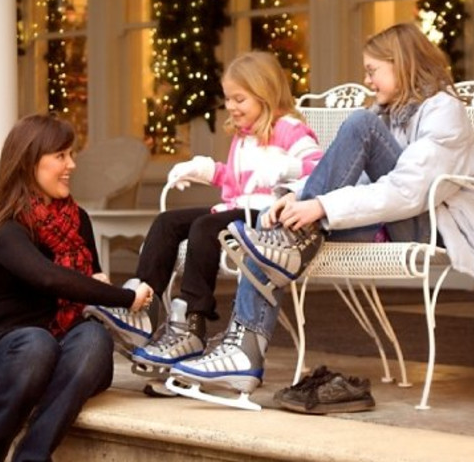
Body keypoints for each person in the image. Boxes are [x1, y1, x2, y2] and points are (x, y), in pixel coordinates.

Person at [167, 22, 474, 408]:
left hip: (433, 223)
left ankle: (289, 249)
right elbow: (353, 175)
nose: (367, 81)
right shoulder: (386, 112)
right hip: (387, 214)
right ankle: (244, 353)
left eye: (372, 70)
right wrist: (294, 198)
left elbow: (407, 191)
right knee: (271, 237)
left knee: (350, 136)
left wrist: (318, 206)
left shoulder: (442, 112)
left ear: (402, 64)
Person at [82, 50, 323, 384]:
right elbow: (235, 182)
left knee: (204, 227)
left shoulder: (288, 129)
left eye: (240, 99)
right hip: (236, 207)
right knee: (166, 223)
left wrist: (288, 167)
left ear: (265, 93)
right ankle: (138, 303)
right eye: (228, 100)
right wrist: (207, 170)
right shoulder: (242, 136)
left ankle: (191, 324)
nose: (233, 107)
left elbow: (319, 168)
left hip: (266, 217)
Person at [0, 114, 154, 462]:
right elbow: (49, 277)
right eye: (61, 156)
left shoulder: (79, 221)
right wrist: (126, 297)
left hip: (73, 358)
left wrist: (98, 286)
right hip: (11, 357)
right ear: (29, 161)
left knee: (94, 337)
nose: (71, 165)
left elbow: (91, 284)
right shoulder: (3, 228)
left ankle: (32, 457)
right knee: (37, 342)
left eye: (71, 154)